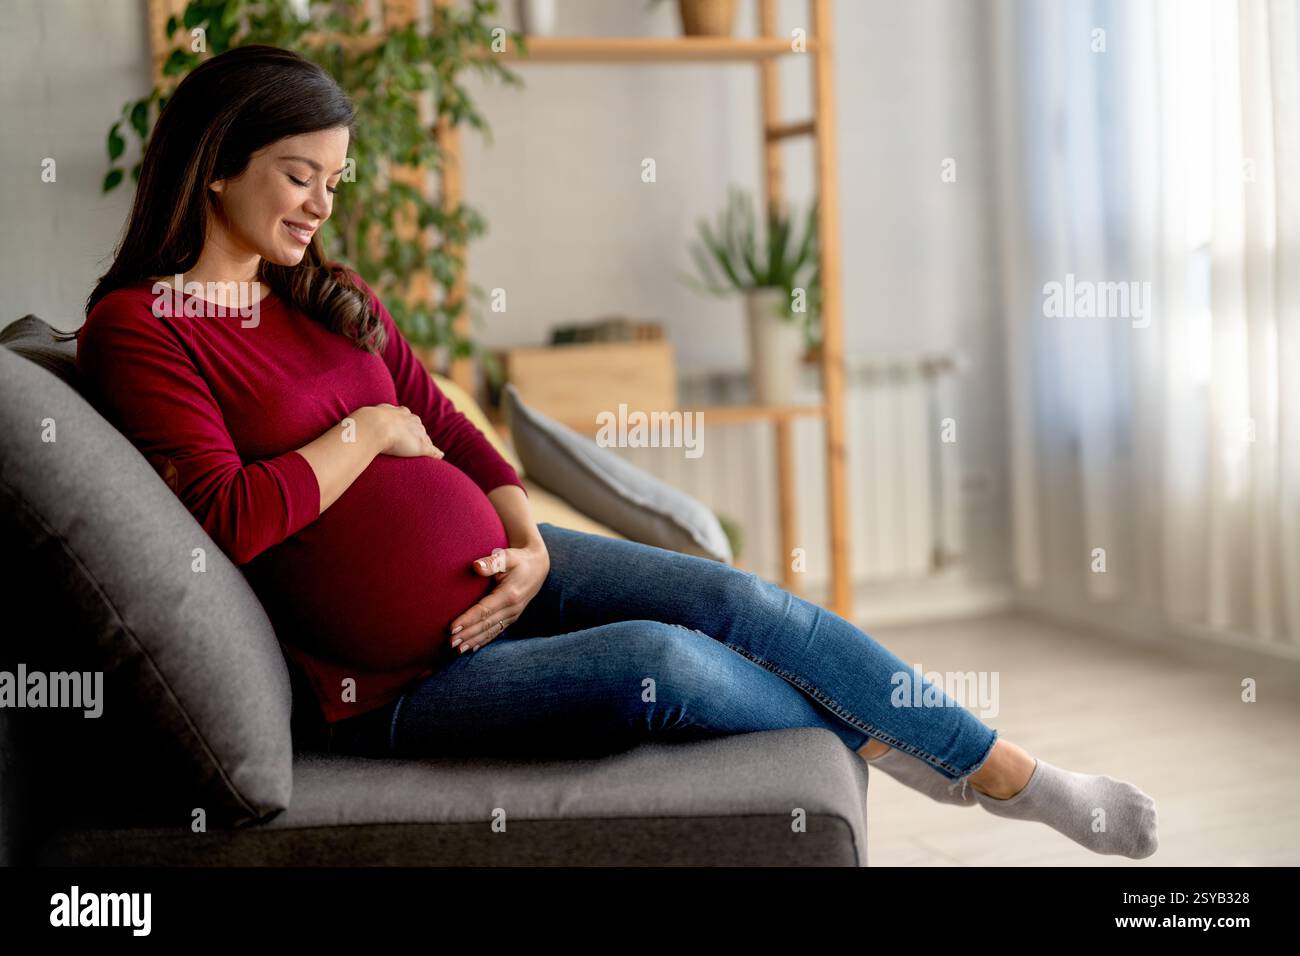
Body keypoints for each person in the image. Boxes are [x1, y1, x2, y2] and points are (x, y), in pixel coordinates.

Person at [67, 45, 1157, 860]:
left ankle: (1017, 773)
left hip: (514, 570)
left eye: (333, 182)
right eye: (301, 176)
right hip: (403, 677)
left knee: (743, 600)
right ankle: (917, 747)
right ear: (217, 167)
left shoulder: (327, 296)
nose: (321, 206)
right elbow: (230, 516)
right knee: (661, 664)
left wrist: (528, 538)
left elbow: (455, 429)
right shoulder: (141, 325)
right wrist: (366, 432)